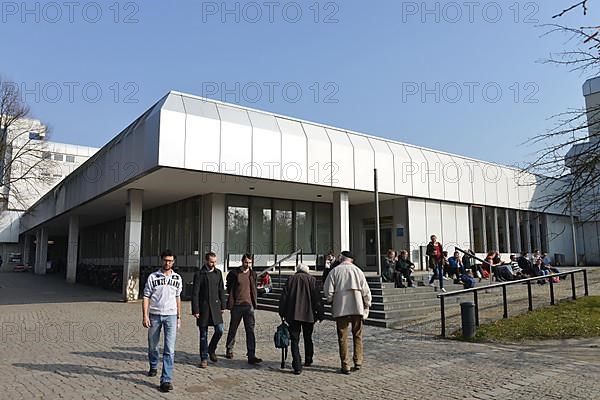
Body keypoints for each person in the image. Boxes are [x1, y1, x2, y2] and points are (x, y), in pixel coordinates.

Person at [323, 251, 372, 375]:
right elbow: (366, 291)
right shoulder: (358, 271)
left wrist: (331, 300)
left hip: (341, 308)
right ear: (351, 260)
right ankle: (358, 360)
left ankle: (345, 365)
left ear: (341, 259)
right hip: (357, 307)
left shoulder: (334, 271)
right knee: (358, 335)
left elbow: (328, 291)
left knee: (342, 337)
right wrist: (367, 304)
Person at [142, 250, 182, 393]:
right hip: (155, 315)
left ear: (174, 262)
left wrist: (179, 317)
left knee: (169, 349)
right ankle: (153, 365)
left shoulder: (177, 278)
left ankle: (166, 379)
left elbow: (178, 297)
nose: (167, 263)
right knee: (153, 346)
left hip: (171, 316)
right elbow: (146, 296)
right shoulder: (153, 277)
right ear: (161, 260)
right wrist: (145, 315)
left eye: (170, 261)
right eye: (165, 260)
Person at [278, 263, 324, 375]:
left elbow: (284, 297)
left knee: (294, 340)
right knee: (308, 337)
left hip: (293, 314)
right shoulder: (312, 280)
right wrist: (320, 313)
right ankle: (308, 359)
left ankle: (297, 365)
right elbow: (317, 298)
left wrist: (282, 312)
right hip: (309, 315)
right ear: (307, 271)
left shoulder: (291, 279)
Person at [225, 254, 262, 365]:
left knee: (250, 330)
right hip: (237, 305)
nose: (248, 265)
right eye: (246, 262)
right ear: (242, 262)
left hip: (249, 305)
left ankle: (251, 354)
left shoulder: (253, 274)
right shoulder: (234, 274)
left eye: (250, 263)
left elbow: (253, 287)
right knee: (233, 328)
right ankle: (229, 349)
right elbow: (229, 286)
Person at [191, 252, 226, 369]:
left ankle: (211, 349)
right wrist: (195, 310)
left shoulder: (218, 273)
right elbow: (195, 293)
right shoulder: (199, 274)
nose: (213, 264)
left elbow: (221, 289)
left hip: (216, 307)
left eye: (215, 261)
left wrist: (223, 305)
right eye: (211, 261)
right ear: (206, 260)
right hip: (204, 308)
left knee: (220, 330)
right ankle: (204, 358)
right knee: (203, 335)